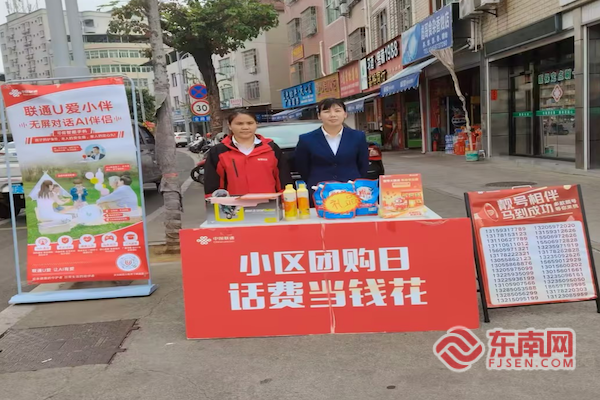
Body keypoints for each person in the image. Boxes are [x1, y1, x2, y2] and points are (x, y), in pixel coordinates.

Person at [204, 110, 292, 196]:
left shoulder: (271, 148)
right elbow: (212, 184)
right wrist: (214, 202)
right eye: (239, 124)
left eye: (250, 123)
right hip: (234, 204)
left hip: (269, 203)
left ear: (256, 124)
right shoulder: (218, 151)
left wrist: (287, 199)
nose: (245, 127)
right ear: (230, 126)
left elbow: (284, 179)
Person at [294, 98, 369, 191]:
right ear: (319, 115)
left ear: (345, 114)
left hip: (350, 190)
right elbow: (302, 167)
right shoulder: (306, 139)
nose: (333, 115)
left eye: (337, 111)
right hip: (319, 191)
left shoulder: (358, 136)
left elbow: (363, 165)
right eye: (327, 111)